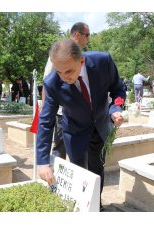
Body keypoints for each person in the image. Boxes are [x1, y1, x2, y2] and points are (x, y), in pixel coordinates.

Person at [37, 39, 126, 211]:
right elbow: (46, 121)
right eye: (59, 72)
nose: (64, 77)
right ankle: (80, 209)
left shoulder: (103, 62)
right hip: (75, 131)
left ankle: (95, 207)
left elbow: (118, 89)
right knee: (79, 173)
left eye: (69, 71)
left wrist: (115, 108)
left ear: (82, 61)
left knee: (97, 169)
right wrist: (42, 162)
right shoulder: (52, 82)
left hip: (100, 126)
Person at [43, 22, 90, 160]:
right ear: (77, 34)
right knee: (60, 148)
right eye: (87, 35)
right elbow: (47, 84)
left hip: (81, 113)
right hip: (62, 113)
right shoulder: (60, 52)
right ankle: (56, 179)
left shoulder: (80, 55)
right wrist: (47, 112)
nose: (88, 39)